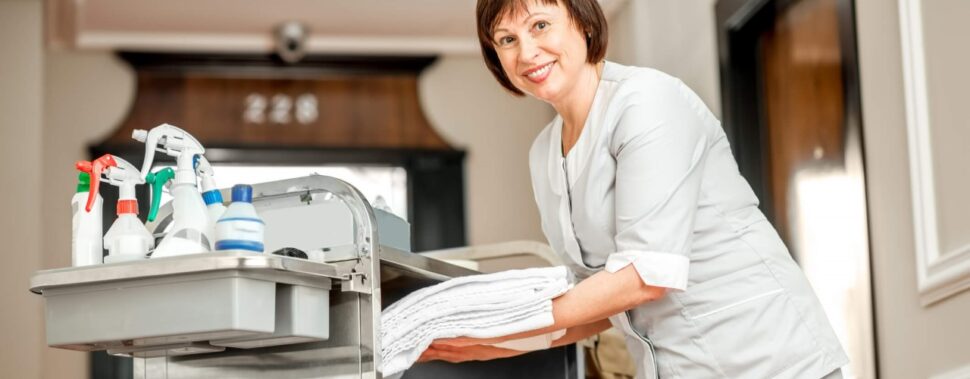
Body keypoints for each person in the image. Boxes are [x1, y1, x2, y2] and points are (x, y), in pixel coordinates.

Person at [419, 0, 849, 378]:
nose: (527, 52)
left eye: (540, 26)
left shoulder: (647, 103)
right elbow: (596, 297)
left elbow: (646, 275)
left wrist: (505, 323)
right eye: (506, 39)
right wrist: (483, 347)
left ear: (582, 20)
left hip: (767, 359)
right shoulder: (544, 153)